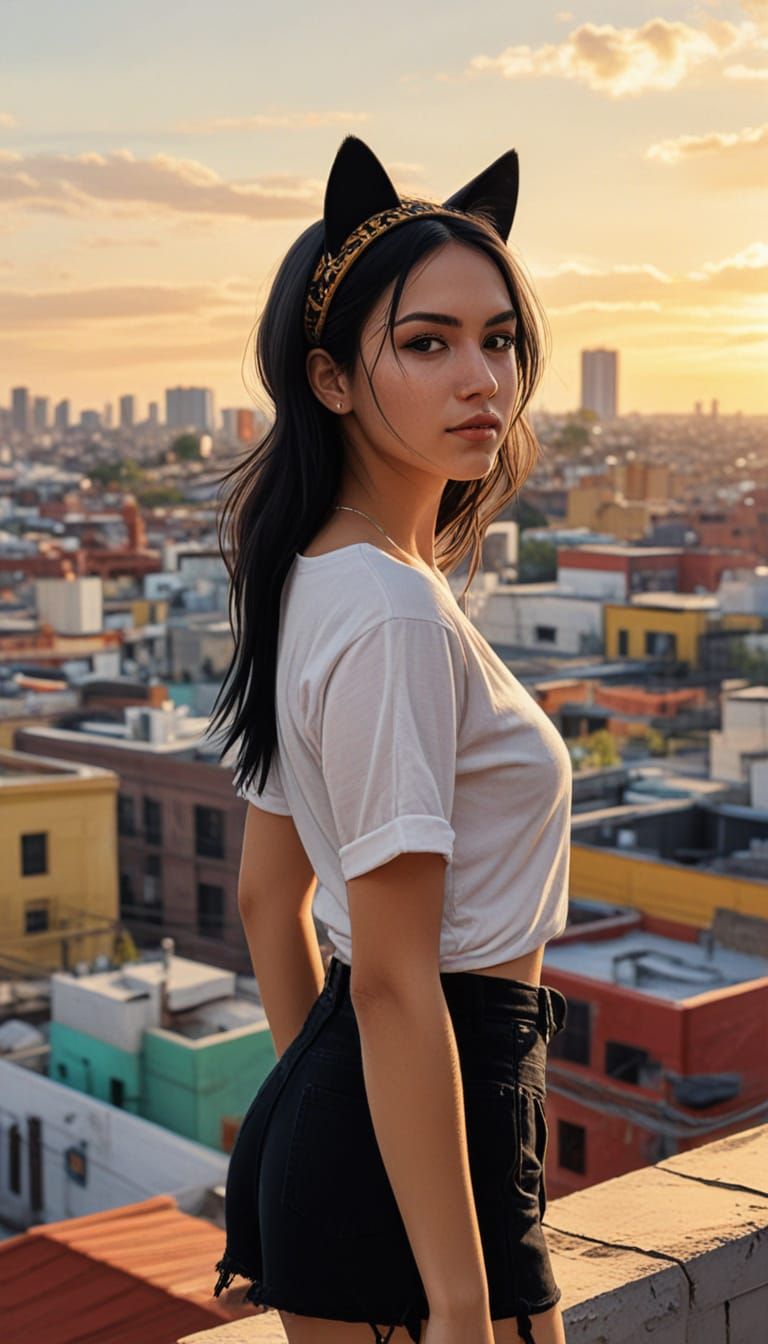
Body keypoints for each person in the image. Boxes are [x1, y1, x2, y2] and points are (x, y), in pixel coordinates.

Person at [208, 135, 571, 1344]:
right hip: (436, 1134)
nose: (484, 379)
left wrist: (328, 1110)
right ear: (329, 378)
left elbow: (270, 900)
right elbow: (400, 982)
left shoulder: (313, 575)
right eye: (427, 342)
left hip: (365, 1130)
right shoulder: (395, 613)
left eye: (499, 338)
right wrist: (461, 1301)